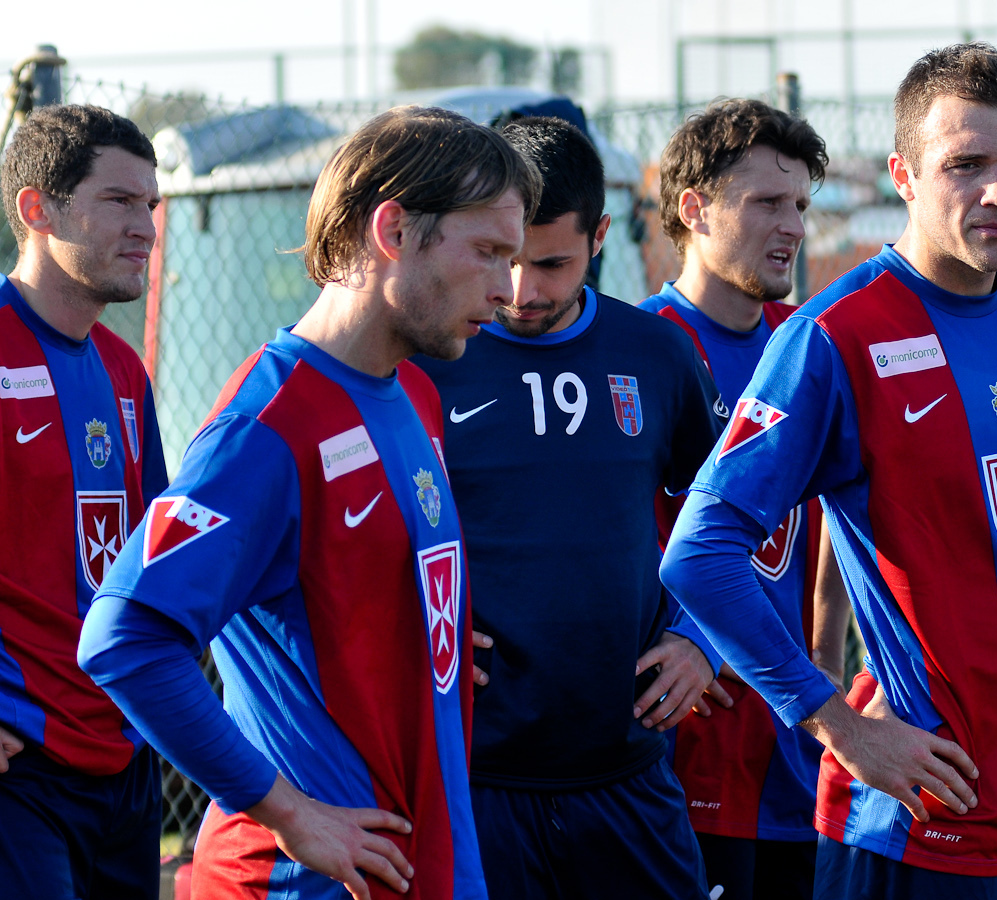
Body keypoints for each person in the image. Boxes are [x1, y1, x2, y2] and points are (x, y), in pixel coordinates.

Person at [662, 43, 997, 900]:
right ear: (904, 176)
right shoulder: (835, 335)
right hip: (920, 822)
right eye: (965, 165)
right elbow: (700, 554)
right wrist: (837, 725)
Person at [79, 106, 538, 900]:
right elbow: (124, 639)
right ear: (394, 230)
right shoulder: (269, 426)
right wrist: (290, 814)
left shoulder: (416, 395)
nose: (507, 289)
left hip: (421, 866)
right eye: (489, 253)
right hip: (303, 880)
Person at [411, 116, 723, 900]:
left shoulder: (656, 353)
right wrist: (404, 621)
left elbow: (733, 516)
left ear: (601, 237)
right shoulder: (423, 360)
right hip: (475, 777)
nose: (523, 291)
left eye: (551, 264)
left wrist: (701, 639)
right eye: (504, 259)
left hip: (627, 771)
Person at [638, 97, 850, 900]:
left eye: (799, 204)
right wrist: (692, 638)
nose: (791, 226)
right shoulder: (641, 348)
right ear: (694, 209)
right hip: (686, 747)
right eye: (766, 202)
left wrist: (825, 659)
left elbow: (834, 524)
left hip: (797, 740)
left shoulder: (809, 343)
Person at [0, 104, 168, 900]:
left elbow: (160, 554)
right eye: (120, 201)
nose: (146, 228)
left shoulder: (124, 368)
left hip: (124, 749)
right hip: (21, 761)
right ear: (38, 209)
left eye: (151, 205)